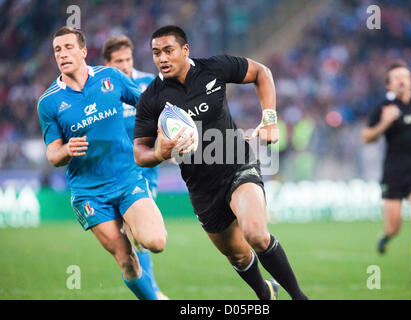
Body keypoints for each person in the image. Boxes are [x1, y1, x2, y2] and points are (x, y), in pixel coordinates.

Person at [133, 25, 308, 300]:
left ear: (185, 50)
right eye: (156, 53)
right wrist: (159, 153)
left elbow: (262, 73)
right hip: (202, 187)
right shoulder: (151, 99)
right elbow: (140, 153)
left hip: (237, 164)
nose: (162, 58)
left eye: (168, 51)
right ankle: (265, 294)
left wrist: (270, 119)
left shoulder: (214, 68)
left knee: (257, 235)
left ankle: (300, 297)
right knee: (238, 256)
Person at [37, 26, 167, 300]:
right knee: (127, 261)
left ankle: (136, 228)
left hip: (127, 178)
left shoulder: (110, 77)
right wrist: (66, 150)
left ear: (83, 51)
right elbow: (52, 154)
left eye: (69, 47)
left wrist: (170, 124)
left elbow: (146, 105)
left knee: (156, 242)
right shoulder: (48, 102)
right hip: (89, 192)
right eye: (57, 50)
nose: (63, 54)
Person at [361, 61, 411, 283]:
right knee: (394, 226)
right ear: (389, 85)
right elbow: (366, 137)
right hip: (393, 173)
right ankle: (386, 237)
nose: (401, 80)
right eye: (396, 77)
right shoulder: (382, 108)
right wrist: (384, 123)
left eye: (405, 76)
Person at [102, 34, 167, 300]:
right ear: (107, 63)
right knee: (129, 237)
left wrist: (166, 142)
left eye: (128, 59)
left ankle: (152, 291)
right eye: (119, 61)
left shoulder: (148, 83)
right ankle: (150, 290)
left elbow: (162, 117)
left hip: (144, 170)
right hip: (112, 172)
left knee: (140, 233)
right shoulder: (101, 89)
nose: (125, 65)